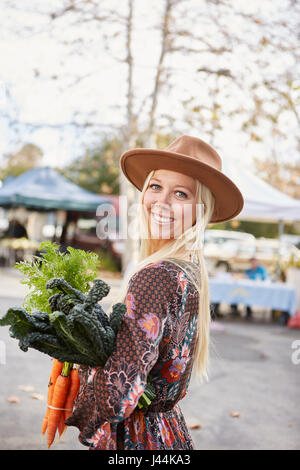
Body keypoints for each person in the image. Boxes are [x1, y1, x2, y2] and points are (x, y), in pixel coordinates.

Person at [65, 135, 244, 450]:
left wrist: (78, 359)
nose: (162, 202)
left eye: (181, 193)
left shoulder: (155, 276)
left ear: (200, 210)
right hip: (166, 430)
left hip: (138, 438)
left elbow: (117, 398)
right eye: (156, 186)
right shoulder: (188, 270)